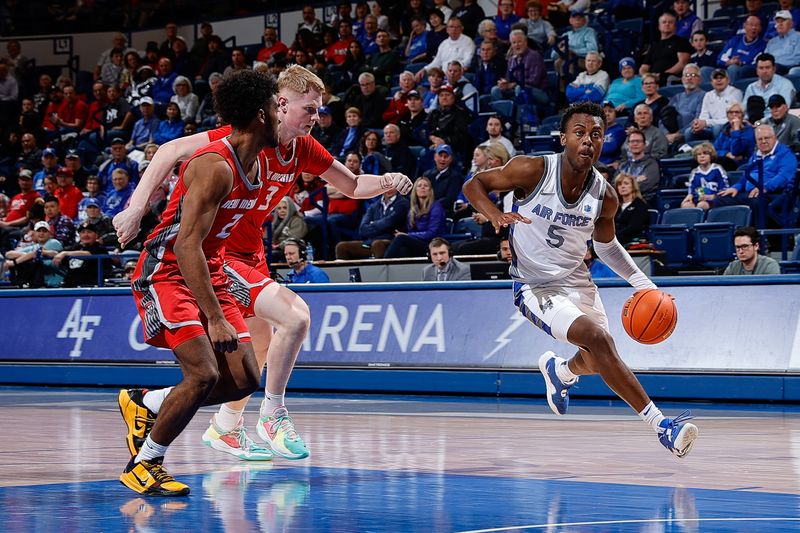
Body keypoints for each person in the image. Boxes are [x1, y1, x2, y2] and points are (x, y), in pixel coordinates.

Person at [114, 66, 412, 468]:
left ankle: (222, 423)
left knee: (257, 350)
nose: (316, 117)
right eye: (309, 108)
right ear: (279, 105)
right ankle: (273, 414)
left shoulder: (303, 148)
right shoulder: (243, 136)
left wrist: (389, 181)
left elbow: (354, 185)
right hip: (219, 255)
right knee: (294, 316)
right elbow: (168, 151)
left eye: (320, 109)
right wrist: (135, 209)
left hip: (251, 253)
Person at [463, 102, 699, 458]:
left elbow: (606, 246)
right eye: (580, 133)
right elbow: (474, 184)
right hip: (535, 285)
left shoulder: (605, 195)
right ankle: (663, 427)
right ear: (563, 139)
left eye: (596, 134)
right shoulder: (532, 169)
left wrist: (643, 284)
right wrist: (495, 214)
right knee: (598, 339)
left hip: (578, 281)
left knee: (598, 355)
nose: (588, 140)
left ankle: (562, 372)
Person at [118, 70, 281, 497]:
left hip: (211, 270)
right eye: (279, 109)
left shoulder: (259, 165)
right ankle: (145, 463)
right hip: (169, 270)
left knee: (245, 378)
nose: (284, 118)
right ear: (261, 115)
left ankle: (146, 403)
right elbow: (187, 245)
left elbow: (219, 238)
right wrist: (215, 317)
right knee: (203, 374)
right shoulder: (213, 166)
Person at [335, 190, 410, 259]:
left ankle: (380, 273)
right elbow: (362, 229)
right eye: (386, 186)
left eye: (392, 186)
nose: (389, 189)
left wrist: (373, 224)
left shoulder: (402, 203)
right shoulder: (374, 206)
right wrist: (382, 226)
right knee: (342, 247)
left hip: (391, 241)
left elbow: (390, 223)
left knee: (378, 245)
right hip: (371, 242)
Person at [639, 11, 693, 86]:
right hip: (653, 81)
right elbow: (644, 67)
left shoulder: (682, 42)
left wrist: (662, 75)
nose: (667, 24)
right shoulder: (654, 45)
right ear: (659, 26)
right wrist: (648, 76)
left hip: (671, 79)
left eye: (670, 22)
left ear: (675, 26)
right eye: (664, 22)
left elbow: (682, 63)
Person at [680, 143, 728, 210]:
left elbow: (724, 187)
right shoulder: (695, 172)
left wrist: (713, 196)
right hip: (699, 197)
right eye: (699, 154)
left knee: (702, 205)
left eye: (705, 154)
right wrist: (690, 196)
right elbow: (692, 188)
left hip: (714, 197)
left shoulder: (717, 169)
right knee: (686, 205)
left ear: (711, 156)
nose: (702, 156)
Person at [614, 173, 650, 246]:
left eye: (626, 184)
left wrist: (613, 237)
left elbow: (634, 227)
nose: (622, 186)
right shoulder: (615, 206)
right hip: (614, 241)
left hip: (630, 240)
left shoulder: (640, 205)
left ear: (633, 187)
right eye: (619, 184)